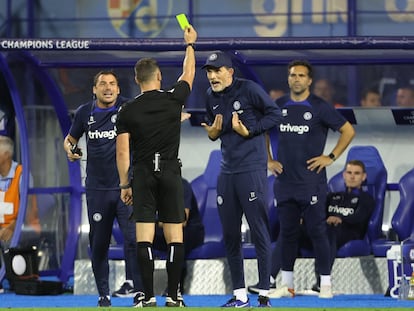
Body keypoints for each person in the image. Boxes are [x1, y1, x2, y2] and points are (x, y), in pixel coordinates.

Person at [115, 25, 197, 308]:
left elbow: (123, 152)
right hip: (171, 173)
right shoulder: (174, 99)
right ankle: (173, 296)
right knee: (175, 237)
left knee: (144, 238)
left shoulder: (126, 111)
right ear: (159, 77)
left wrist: (125, 184)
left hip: (143, 174)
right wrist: (189, 45)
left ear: (137, 79)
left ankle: (147, 296)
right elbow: (188, 74)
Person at [200, 51, 282, 308]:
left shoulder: (249, 90)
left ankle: (265, 293)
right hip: (226, 171)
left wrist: (250, 130)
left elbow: (275, 114)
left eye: (217, 71)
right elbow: (215, 130)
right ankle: (240, 295)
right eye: (209, 72)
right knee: (231, 235)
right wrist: (212, 134)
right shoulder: (210, 97)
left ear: (230, 71)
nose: (212, 76)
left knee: (258, 231)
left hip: (251, 169)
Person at [267, 59, 355, 299]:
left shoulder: (319, 106)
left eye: (301, 75)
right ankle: (287, 285)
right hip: (284, 183)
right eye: (293, 75)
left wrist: (331, 157)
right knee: (287, 233)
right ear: (288, 78)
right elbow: (262, 129)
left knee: (318, 232)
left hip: (312, 183)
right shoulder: (278, 105)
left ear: (309, 80)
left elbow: (348, 130)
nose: (296, 79)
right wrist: (268, 159)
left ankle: (325, 285)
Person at [63, 70, 143, 307]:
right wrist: (69, 149)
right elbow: (70, 140)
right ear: (94, 89)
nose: (108, 88)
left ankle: (139, 292)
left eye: (112, 84)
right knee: (99, 243)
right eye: (102, 84)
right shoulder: (84, 112)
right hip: (97, 190)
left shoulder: (130, 110)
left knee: (134, 240)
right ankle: (104, 295)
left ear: (118, 89)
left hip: (126, 189)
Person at [0, 135, 40, 293]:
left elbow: (28, 211)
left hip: (24, 227)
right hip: (4, 227)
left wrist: (12, 227)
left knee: (8, 236)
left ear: (6, 155)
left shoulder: (22, 175)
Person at [153, 177, 204, 295]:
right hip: (163, 227)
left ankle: (175, 287)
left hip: (191, 231)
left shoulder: (181, 185)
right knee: (139, 239)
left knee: (177, 237)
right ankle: (137, 287)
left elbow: (181, 220)